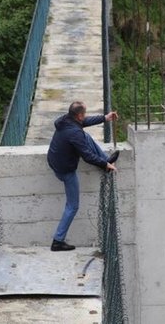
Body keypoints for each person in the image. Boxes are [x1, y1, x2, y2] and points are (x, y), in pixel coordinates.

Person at [47, 101, 120, 252]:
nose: (85, 117)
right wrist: (105, 166)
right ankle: (57, 241)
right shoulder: (74, 132)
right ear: (79, 115)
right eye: (84, 114)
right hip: (65, 170)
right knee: (72, 206)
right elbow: (87, 156)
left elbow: (84, 122)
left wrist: (105, 118)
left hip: (55, 161)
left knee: (85, 136)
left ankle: (105, 159)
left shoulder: (65, 120)